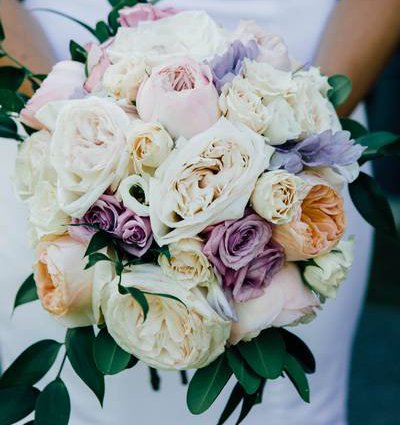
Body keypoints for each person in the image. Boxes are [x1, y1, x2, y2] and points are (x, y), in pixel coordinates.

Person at [1, 1, 399, 424]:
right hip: (69, 131)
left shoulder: (300, 139)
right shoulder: (69, 135)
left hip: (297, 113)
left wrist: (293, 142)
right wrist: (66, 117)